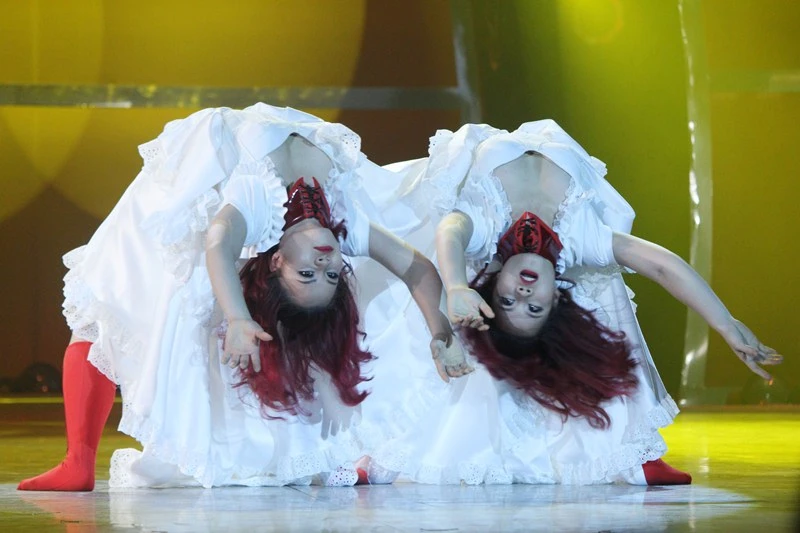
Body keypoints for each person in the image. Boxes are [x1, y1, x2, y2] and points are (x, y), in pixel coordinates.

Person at [17, 104, 455, 491]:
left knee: (104, 295)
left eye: (308, 273)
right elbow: (416, 267)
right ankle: (79, 460)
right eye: (331, 274)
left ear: (277, 261)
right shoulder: (346, 224)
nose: (325, 262)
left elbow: (218, 242)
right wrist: (440, 332)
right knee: (107, 300)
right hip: (222, 177)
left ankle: (78, 461)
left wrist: (238, 318)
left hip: (187, 190)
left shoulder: (260, 207)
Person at [357, 119, 780, 485]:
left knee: (426, 256)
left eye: (507, 301)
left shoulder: (485, 231)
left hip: (461, 184)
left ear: (495, 282)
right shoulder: (580, 239)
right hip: (558, 220)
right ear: (556, 296)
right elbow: (662, 266)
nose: (523, 295)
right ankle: (632, 453)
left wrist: (456, 287)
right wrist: (726, 324)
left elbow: (450, 231)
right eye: (534, 308)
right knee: (605, 285)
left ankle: (384, 449)